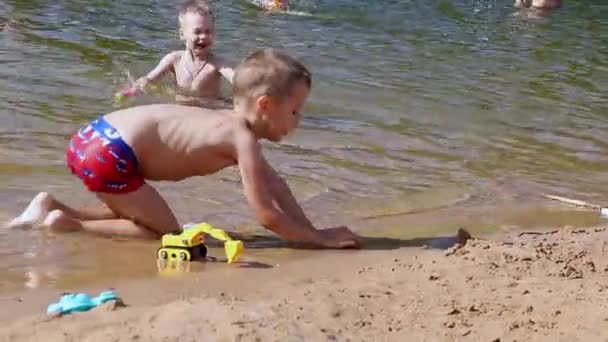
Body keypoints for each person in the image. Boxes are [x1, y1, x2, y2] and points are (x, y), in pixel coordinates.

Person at [7, 49, 361, 249]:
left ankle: (49, 205)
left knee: (137, 213)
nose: (298, 120)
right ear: (265, 105)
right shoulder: (243, 139)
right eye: (295, 111)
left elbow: (276, 186)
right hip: (112, 153)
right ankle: (67, 225)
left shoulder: (227, 123)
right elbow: (266, 215)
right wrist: (319, 240)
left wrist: (310, 231)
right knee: (167, 234)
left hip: (93, 136)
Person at [120, 0, 234, 106]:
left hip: (209, 109)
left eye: (208, 31)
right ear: (182, 35)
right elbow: (148, 80)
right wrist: (132, 91)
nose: (203, 36)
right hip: (180, 108)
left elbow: (238, 80)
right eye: (197, 31)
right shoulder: (174, 60)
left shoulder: (217, 64)